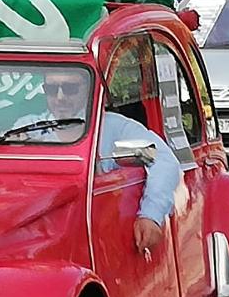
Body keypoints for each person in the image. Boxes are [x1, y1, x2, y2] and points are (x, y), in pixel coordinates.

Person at [11, 68, 181, 253]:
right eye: (52, 89)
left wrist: (150, 215)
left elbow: (162, 159)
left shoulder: (112, 127)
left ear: (88, 89)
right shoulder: (26, 129)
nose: (60, 97)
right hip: (39, 236)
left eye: (70, 88)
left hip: (100, 235)